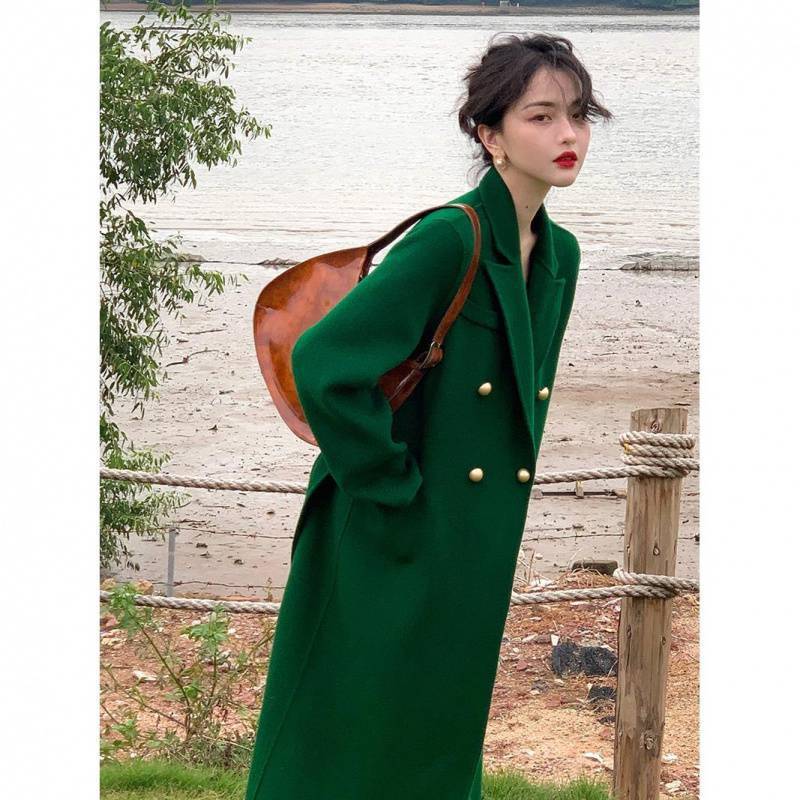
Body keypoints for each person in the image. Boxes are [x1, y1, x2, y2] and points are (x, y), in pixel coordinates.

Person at [245, 32, 612, 800]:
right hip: (387, 525)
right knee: (350, 724)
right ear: (490, 134)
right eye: (541, 116)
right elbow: (323, 362)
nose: (568, 134)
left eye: (578, 115)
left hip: (470, 535)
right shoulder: (450, 237)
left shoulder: (560, 255)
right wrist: (395, 486)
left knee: (439, 725)